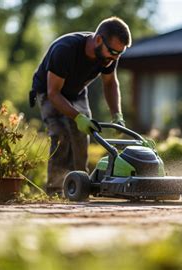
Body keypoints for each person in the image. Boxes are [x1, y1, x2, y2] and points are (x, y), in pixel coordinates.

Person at [30, 17, 131, 196]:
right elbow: (53, 93)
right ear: (99, 39)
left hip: (76, 92)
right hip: (48, 91)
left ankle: (78, 188)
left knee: (81, 137)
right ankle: (55, 191)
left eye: (120, 54)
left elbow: (110, 84)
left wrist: (117, 115)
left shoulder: (109, 56)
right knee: (61, 135)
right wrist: (78, 117)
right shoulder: (65, 50)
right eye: (113, 51)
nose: (115, 58)